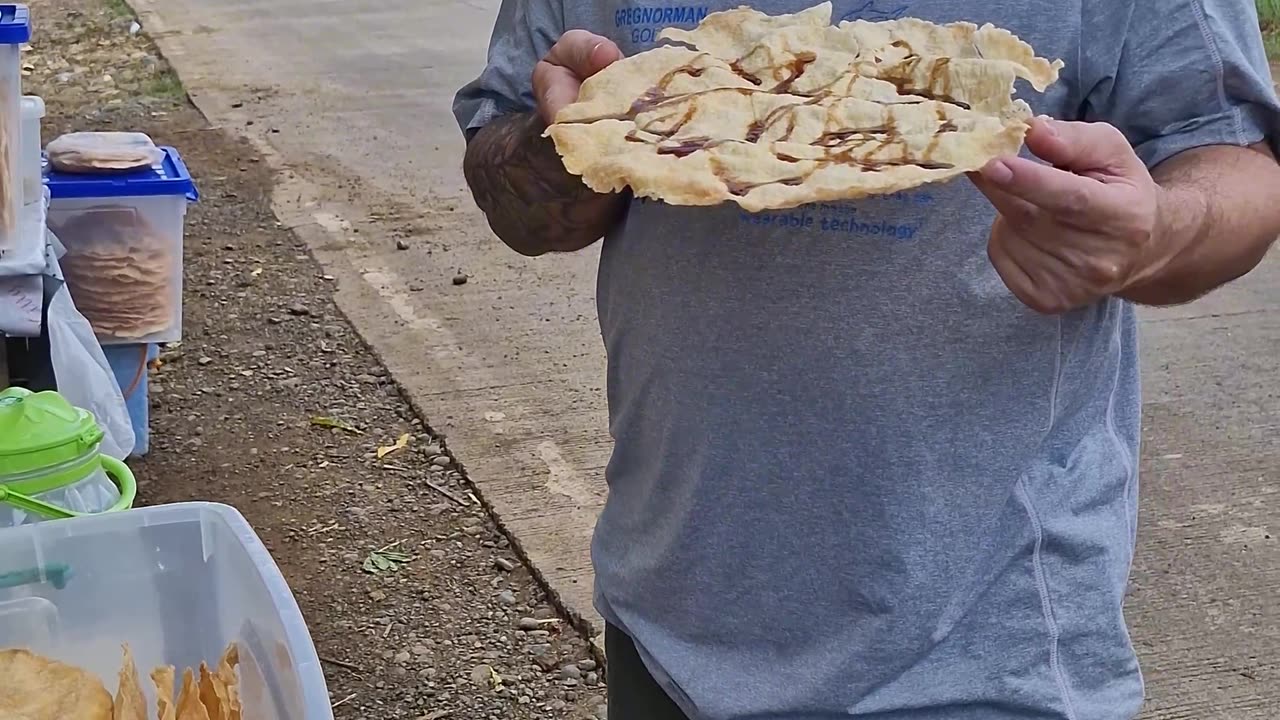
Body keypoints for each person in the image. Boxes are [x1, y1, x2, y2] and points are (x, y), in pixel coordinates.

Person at [454, 0, 1280, 717]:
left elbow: (1238, 162)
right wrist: (572, 146)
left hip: (976, 658)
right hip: (668, 627)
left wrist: (1153, 234)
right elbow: (512, 187)